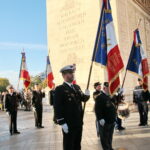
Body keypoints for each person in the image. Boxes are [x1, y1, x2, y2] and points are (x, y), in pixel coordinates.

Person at [54, 65, 90, 150]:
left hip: (78, 122)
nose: (72, 75)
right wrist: (62, 122)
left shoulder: (76, 87)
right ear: (64, 75)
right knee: (69, 145)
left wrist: (87, 95)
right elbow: (57, 107)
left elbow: (83, 99)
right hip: (68, 123)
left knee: (77, 145)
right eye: (70, 73)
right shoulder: (60, 89)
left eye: (72, 73)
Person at [95, 82, 116, 150]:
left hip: (111, 120)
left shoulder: (110, 96)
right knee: (104, 137)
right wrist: (100, 118)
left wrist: (119, 94)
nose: (110, 89)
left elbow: (115, 103)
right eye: (108, 88)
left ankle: (110, 147)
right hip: (105, 121)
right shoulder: (100, 97)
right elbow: (97, 109)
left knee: (110, 136)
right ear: (104, 88)